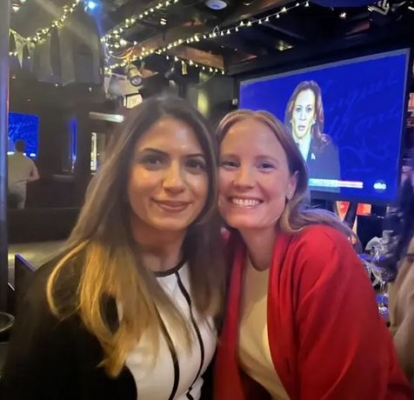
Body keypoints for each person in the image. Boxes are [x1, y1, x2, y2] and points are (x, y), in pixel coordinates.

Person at [3, 95, 226, 400]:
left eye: (194, 164)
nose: (176, 182)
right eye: (154, 160)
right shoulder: (61, 295)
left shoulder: (212, 268)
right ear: (120, 177)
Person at [213, 109, 413, 400]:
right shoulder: (228, 253)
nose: (243, 179)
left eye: (265, 166)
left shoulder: (321, 253)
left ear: (291, 183)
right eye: (230, 163)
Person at [284, 80, 340, 187]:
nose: (303, 117)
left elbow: (333, 190)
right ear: (291, 115)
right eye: (298, 109)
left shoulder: (328, 150)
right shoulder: (277, 148)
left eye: (308, 110)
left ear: (314, 117)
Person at [7, 139, 40, 208]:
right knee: (20, 211)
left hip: (6, 187)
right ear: (24, 148)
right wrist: (25, 179)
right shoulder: (29, 161)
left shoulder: (7, 158)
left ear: (15, 147)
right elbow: (36, 177)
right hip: (20, 189)